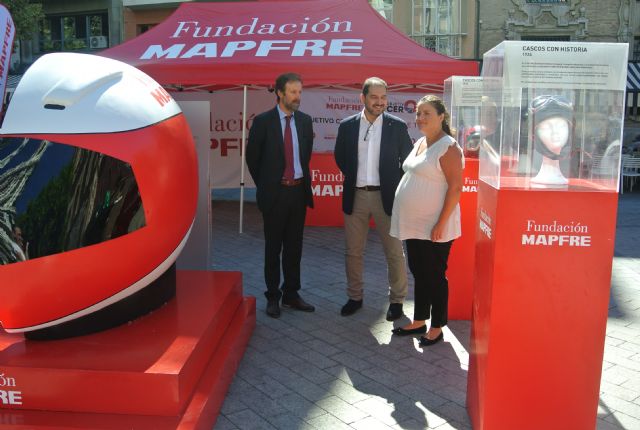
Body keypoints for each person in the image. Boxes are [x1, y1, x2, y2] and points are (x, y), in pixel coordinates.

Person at [334, 77, 413, 320]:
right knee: (353, 251)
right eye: (374, 97)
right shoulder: (347, 126)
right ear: (363, 98)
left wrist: (395, 186)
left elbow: (408, 161)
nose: (380, 102)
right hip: (356, 196)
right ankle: (355, 297)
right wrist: (354, 176)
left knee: (394, 252)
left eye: (383, 97)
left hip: (386, 197)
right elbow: (340, 156)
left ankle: (397, 301)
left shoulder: (396, 126)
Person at [389, 95, 463, 347]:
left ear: (441, 117)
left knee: (434, 276)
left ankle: (437, 326)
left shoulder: (449, 147)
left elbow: (455, 189)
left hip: (434, 226)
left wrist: (441, 224)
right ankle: (419, 320)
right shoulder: (421, 141)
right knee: (420, 273)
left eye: (426, 113)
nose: (420, 118)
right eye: (418, 113)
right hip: (415, 225)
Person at [246, 72, 315, 318]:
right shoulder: (263, 122)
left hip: (298, 193)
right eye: (293, 92)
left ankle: (292, 294)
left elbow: (305, 156)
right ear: (280, 93)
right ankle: (273, 296)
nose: (298, 97)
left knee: (294, 247)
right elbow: (252, 159)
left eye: (300, 92)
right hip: (275, 194)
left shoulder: (305, 121)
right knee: (273, 248)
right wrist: (268, 185)